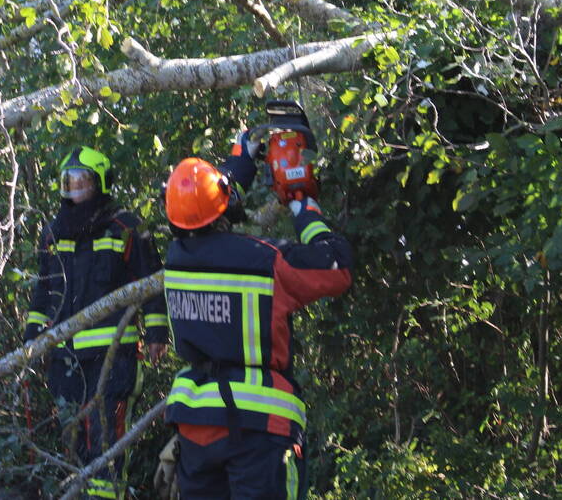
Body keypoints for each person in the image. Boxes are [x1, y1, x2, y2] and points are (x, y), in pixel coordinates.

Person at [155, 131, 353, 499]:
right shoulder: (266, 261)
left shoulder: (176, 259)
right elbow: (336, 266)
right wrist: (301, 202)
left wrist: (241, 161)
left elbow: (203, 205)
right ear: (223, 206)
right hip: (258, 427)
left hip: (197, 424)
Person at [23, 146, 168, 499]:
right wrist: (32, 336)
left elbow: (151, 281)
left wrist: (157, 333)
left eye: (83, 182)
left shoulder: (125, 227)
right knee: (73, 444)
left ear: (101, 184)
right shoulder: (53, 233)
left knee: (106, 448)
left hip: (112, 356)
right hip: (65, 361)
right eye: (69, 182)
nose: (74, 190)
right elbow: (45, 290)